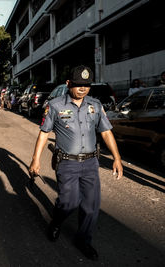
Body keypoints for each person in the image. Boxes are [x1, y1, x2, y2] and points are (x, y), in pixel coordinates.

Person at [29, 65, 123, 261]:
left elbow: (106, 132)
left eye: (86, 85)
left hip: (90, 163)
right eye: (79, 84)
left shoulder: (95, 105)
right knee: (68, 202)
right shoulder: (54, 105)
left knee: (91, 205)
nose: (83, 88)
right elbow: (44, 133)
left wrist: (117, 158)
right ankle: (56, 221)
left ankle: (83, 241)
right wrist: (35, 159)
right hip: (67, 163)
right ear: (68, 84)